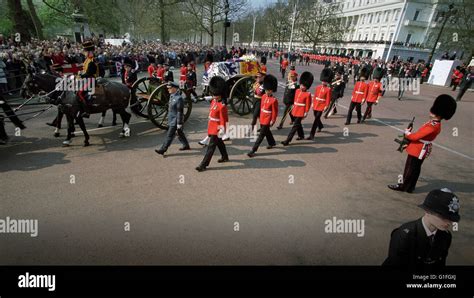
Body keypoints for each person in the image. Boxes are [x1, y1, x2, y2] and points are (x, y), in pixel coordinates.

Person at [388, 95, 457, 193]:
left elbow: (415, 137)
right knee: (415, 169)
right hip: (420, 148)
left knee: (410, 168)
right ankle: (410, 187)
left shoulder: (432, 126)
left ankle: (403, 186)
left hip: (418, 149)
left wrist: (407, 133)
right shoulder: (433, 123)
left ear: (437, 113)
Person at [382, 188, 460, 271]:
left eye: (452, 219)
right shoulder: (405, 236)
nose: (449, 223)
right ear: (427, 211)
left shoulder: (446, 237)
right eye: (444, 217)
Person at [196, 76, 229, 172]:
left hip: (217, 129)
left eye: (216, 94)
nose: (214, 95)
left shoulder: (222, 106)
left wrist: (223, 131)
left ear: (220, 94)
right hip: (212, 126)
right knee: (220, 143)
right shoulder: (214, 101)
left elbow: (224, 120)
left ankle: (203, 164)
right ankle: (225, 156)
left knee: (211, 147)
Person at [155, 81, 190, 155]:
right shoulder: (172, 96)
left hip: (176, 120)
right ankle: (186, 145)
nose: (168, 90)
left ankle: (163, 149)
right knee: (180, 133)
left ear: (174, 88)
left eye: (170, 88)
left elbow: (179, 112)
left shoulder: (179, 98)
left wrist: (179, 123)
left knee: (169, 135)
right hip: (171, 119)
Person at [247, 74, 278, 157]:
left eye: (269, 90)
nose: (267, 91)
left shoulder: (274, 100)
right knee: (267, 131)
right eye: (267, 89)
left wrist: (273, 120)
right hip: (262, 117)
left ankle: (253, 150)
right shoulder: (264, 96)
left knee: (261, 135)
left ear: (272, 90)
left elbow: (275, 112)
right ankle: (272, 142)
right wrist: (259, 116)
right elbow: (261, 107)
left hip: (267, 119)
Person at [281, 71, 314, 146]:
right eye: (302, 85)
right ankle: (301, 135)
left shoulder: (308, 94)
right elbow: (295, 100)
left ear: (307, 86)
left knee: (295, 126)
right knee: (298, 124)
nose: (302, 86)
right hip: (295, 109)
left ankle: (287, 140)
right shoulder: (297, 91)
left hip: (301, 111)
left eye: (304, 86)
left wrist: (306, 112)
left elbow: (308, 104)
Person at [307, 68, 332, 139]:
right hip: (316, 104)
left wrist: (326, 106)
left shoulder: (328, 89)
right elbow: (315, 96)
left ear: (327, 82)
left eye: (325, 81)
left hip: (322, 105)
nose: (324, 82)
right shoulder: (318, 87)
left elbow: (328, 99)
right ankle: (320, 126)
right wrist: (312, 103)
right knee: (316, 117)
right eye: (323, 81)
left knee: (316, 119)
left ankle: (311, 135)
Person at [77, 40, 99, 118]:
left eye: (85, 51)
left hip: (90, 80)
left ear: (89, 52)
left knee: (79, 93)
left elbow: (89, 73)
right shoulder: (87, 60)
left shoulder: (92, 61)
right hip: (86, 79)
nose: (84, 53)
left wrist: (81, 75)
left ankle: (86, 111)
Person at [250, 69, 266, 133]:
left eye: (259, 77)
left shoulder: (264, 84)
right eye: (257, 77)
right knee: (259, 116)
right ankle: (262, 128)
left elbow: (259, 92)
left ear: (263, 77)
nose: (257, 78)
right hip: (255, 100)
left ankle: (251, 129)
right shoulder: (256, 83)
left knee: (255, 115)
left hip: (260, 100)